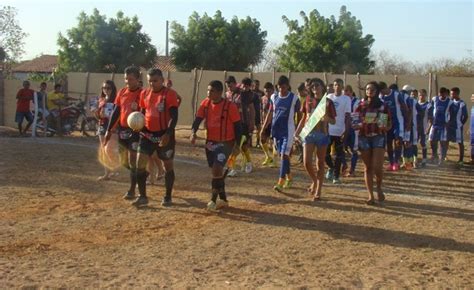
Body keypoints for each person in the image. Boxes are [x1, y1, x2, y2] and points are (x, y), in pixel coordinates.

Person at [191, 80, 242, 211]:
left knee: (216, 168)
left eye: (211, 91)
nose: (208, 93)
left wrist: (238, 144)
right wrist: (193, 132)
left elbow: (237, 126)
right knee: (217, 173)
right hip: (210, 143)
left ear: (219, 92)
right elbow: (197, 119)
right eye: (208, 90)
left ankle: (213, 201)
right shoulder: (205, 104)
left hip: (226, 142)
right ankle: (223, 199)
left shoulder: (230, 106)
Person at [133, 68, 179, 207]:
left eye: (155, 81)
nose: (152, 84)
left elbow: (174, 116)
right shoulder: (144, 93)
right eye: (150, 81)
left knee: (167, 166)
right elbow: (142, 112)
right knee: (139, 164)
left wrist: (168, 134)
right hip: (147, 134)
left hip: (164, 135)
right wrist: (137, 124)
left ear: (162, 80)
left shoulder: (169, 94)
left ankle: (168, 196)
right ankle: (142, 196)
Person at [105, 66, 143, 203]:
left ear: (138, 79)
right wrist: (109, 130)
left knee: (133, 160)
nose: (127, 81)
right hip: (122, 130)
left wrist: (138, 110)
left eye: (131, 79)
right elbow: (116, 112)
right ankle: (140, 175)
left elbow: (147, 111)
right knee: (124, 160)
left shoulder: (143, 94)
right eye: (126, 78)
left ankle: (132, 189)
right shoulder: (122, 92)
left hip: (135, 131)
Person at [295, 78, 336, 200]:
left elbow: (333, 121)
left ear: (322, 87)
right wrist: (297, 132)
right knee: (307, 162)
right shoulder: (307, 101)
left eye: (317, 86)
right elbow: (303, 118)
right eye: (312, 86)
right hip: (309, 133)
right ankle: (315, 181)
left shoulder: (328, 102)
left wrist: (327, 118)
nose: (315, 88)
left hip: (322, 134)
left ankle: (318, 190)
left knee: (320, 163)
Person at [355, 81, 391, 205]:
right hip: (364, 137)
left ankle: (379, 187)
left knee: (377, 166)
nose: (369, 91)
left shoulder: (382, 106)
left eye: (372, 89)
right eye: (367, 89)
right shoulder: (360, 105)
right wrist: (356, 124)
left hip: (378, 137)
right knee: (368, 167)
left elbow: (384, 125)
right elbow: (355, 122)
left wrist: (382, 124)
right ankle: (370, 195)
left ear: (377, 91)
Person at [263, 75, 301, 191]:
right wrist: (263, 129)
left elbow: (299, 116)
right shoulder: (274, 97)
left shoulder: (294, 99)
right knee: (282, 156)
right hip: (276, 130)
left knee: (285, 155)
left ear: (288, 86)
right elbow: (270, 113)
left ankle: (281, 181)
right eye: (279, 87)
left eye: (283, 87)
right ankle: (289, 177)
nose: (281, 90)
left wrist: (298, 132)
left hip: (288, 130)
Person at [225, 76, 255, 176]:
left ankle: (232, 168)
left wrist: (252, 122)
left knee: (238, 146)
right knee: (242, 146)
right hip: (232, 124)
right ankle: (249, 163)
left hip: (243, 124)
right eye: (227, 86)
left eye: (230, 85)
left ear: (234, 83)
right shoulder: (228, 95)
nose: (229, 88)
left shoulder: (243, 94)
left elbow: (251, 108)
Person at [325, 78, 352, 184]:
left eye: (339, 85)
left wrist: (346, 130)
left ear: (342, 86)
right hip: (328, 130)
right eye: (335, 85)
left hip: (340, 130)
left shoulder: (346, 99)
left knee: (339, 155)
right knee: (325, 154)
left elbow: (348, 116)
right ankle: (330, 167)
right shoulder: (328, 97)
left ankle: (336, 176)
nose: (337, 87)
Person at [380, 82, 409, 171]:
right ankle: (391, 163)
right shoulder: (382, 97)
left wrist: (407, 123)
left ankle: (396, 162)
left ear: (385, 88)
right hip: (388, 122)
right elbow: (382, 111)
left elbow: (405, 108)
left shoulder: (396, 95)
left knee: (398, 142)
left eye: (381, 91)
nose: (381, 94)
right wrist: (382, 124)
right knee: (388, 143)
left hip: (398, 122)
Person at [96, 80, 119, 181]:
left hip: (113, 126)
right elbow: (97, 116)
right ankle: (107, 173)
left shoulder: (116, 100)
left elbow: (118, 114)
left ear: (112, 89)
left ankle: (114, 168)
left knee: (109, 149)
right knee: (104, 150)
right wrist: (97, 114)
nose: (106, 90)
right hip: (102, 125)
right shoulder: (101, 100)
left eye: (108, 88)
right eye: (104, 88)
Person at [428, 87, 452, 165]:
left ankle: (442, 159)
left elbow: (451, 113)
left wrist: (448, 122)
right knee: (432, 140)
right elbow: (430, 109)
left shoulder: (449, 102)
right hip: (434, 124)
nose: (441, 95)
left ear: (446, 93)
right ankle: (434, 155)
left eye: (443, 94)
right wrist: (430, 119)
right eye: (440, 94)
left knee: (443, 142)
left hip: (443, 125)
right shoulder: (434, 99)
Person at [342, 85, 360, 177]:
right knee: (340, 148)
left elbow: (358, 114)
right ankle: (344, 165)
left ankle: (352, 170)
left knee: (354, 150)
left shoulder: (357, 102)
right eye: (345, 91)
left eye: (348, 91)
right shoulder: (341, 101)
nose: (346, 93)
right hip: (343, 128)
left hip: (353, 129)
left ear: (352, 91)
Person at [447, 87, 468, 165]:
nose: (451, 95)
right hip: (449, 125)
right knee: (445, 141)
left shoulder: (462, 103)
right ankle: (444, 157)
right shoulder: (450, 102)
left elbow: (465, 116)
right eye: (451, 94)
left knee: (460, 142)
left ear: (457, 94)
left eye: (452, 94)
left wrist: (461, 124)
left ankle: (461, 160)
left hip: (457, 127)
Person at [400, 85, 416, 170]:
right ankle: (407, 163)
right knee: (407, 144)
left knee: (404, 144)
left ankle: (407, 163)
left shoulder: (400, 96)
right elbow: (410, 111)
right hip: (408, 124)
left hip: (402, 124)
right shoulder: (409, 99)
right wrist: (409, 123)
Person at [260, 82, 276, 167]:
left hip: (273, 122)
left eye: (269, 91)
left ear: (273, 90)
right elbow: (262, 110)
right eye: (266, 91)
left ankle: (275, 160)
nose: (267, 93)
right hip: (265, 122)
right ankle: (267, 156)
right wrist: (262, 121)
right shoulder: (263, 98)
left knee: (274, 142)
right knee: (262, 139)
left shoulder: (276, 99)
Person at [414, 89, 430, 168]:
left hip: (424, 127)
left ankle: (424, 160)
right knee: (414, 144)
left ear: (426, 96)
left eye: (423, 95)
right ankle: (415, 160)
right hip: (415, 128)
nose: (421, 97)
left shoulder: (428, 105)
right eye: (420, 95)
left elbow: (430, 118)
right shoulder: (415, 104)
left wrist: (428, 128)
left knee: (423, 144)